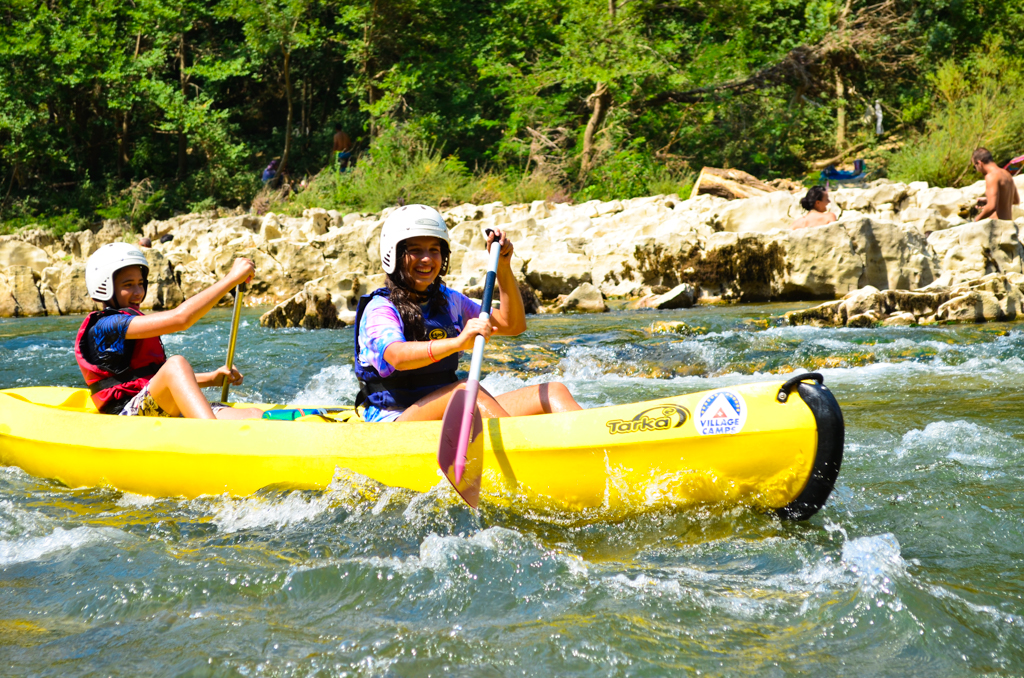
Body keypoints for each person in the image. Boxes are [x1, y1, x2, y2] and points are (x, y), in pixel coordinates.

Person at [354, 204, 582, 422]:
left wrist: (503, 267)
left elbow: (512, 325)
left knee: (553, 392)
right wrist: (459, 342)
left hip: (447, 410)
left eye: (434, 250)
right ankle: (522, 451)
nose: (427, 258)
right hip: (395, 418)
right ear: (393, 255)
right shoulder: (380, 308)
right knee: (465, 391)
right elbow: (397, 357)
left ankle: (592, 447)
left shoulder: (450, 300)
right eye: (415, 251)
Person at [75, 243, 262, 420]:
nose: (139, 291)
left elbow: (151, 380)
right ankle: (212, 438)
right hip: (125, 416)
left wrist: (211, 378)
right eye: (128, 285)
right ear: (104, 286)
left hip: (153, 405)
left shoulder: (129, 322)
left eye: (141, 283)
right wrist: (231, 279)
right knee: (175, 364)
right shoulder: (105, 326)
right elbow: (180, 319)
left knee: (253, 414)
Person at [972, 147, 1020, 222]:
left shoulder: (991, 176)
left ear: (980, 163)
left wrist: (975, 220)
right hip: (1008, 224)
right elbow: (1016, 200)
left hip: (997, 227)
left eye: (974, 166)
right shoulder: (1006, 174)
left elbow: (992, 207)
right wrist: (988, 200)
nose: (976, 170)